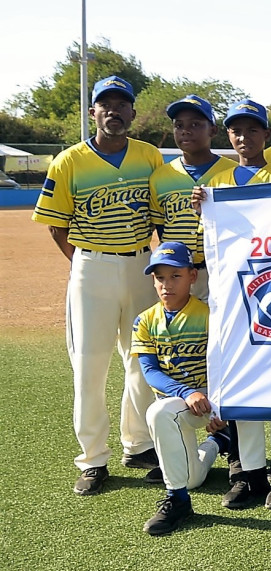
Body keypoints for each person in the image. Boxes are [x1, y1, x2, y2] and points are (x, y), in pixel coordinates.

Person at [33, 75, 163, 495]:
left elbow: (162, 213)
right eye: (104, 104)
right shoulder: (69, 160)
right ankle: (92, 459)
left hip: (143, 264)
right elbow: (57, 226)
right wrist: (89, 263)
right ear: (92, 113)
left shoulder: (149, 156)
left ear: (131, 112)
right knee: (90, 366)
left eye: (121, 104)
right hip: (92, 266)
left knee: (141, 361)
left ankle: (138, 443)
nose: (113, 111)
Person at [191, 99, 271, 511]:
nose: (244, 137)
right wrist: (202, 208)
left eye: (253, 130)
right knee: (243, 377)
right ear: (229, 136)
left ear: (266, 135)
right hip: (235, 291)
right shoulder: (217, 182)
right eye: (237, 131)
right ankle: (249, 473)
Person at [135, 242, 226, 535]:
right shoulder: (145, 320)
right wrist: (186, 392)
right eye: (160, 277)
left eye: (175, 276)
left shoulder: (209, 315)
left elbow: (225, 366)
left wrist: (223, 406)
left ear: (192, 277)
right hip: (180, 402)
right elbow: (150, 371)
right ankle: (219, 444)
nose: (166, 285)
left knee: (157, 413)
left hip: (209, 400)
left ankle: (177, 501)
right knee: (192, 479)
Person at [149, 95, 236, 302]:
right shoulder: (160, 177)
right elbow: (161, 226)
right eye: (179, 125)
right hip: (177, 273)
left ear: (213, 130)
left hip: (221, 269)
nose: (186, 130)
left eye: (196, 124)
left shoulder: (233, 172)